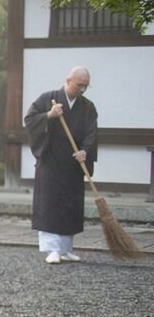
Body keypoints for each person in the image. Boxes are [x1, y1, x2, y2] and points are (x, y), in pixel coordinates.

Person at [23, 67, 97, 264]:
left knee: (70, 205)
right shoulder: (49, 98)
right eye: (79, 85)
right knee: (50, 204)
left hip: (73, 162)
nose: (82, 89)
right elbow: (29, 120)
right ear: (68, 80)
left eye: (85, 86)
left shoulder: (88, 107)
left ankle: (66, 248)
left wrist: (85, 151)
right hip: (50, 161)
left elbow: (92, 132)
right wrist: (48, 115)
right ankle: (52, 249)